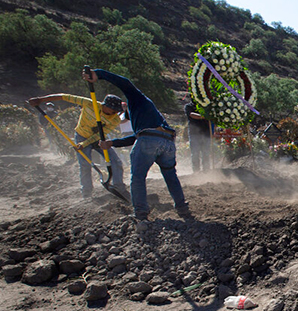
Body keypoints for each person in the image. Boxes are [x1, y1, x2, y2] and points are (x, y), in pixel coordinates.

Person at [83, 68, 191, 221]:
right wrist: (112, 143)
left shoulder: (136, 98)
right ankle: (182, 208)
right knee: (170, 175)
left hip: (150, 141)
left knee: (138, 177)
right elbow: (136, 137)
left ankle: (140, 213)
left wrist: (99, 74)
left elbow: (124, 83)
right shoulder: (149, 113)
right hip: (168, 142)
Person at [27, 92, 128, 199]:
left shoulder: (115, 119)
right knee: (85, 165)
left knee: (116, 161)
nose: (116, 113)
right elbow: (64, 97)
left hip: (99, 139)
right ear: (106, 106)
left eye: (117, 111)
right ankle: (87, 193)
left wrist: (84, 144)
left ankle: (119, 188)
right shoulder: (90, 104)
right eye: (114, 110)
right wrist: (40, 100)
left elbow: (100, 134)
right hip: (81, 136)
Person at [184, 102, 212, 172]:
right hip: (194, 134)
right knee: (195, 153)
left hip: (206, 133)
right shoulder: (189, 106)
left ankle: (206, 170)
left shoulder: (206, 106)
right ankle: (196, 171)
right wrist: (204, 116)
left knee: (206, 153)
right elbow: (192, 115)